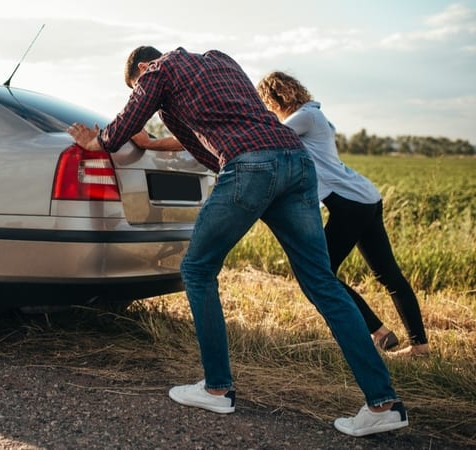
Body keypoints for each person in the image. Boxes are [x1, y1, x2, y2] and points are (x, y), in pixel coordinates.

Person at [67, 46, 408, 437]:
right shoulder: (220, 60)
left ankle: (216, 387)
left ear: (142, 68)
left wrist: (100, 142)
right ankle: (383, 403)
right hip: (296, 162)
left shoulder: (158, 69)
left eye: (137, 82)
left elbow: (128, 121)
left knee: (196, 269)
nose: (142, 87)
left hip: (251, 165)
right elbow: (205, 135)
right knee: (322, 282)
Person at [255, 71, 430, 357]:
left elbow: (271, 138)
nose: (268, 109)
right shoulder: (312, 115)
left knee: (318, 272)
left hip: (350, 203)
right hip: (364, 199)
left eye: (266, 102)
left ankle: (379, 333)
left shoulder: (305, 117)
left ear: (275, 98)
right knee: (387, 274)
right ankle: (416, 344)